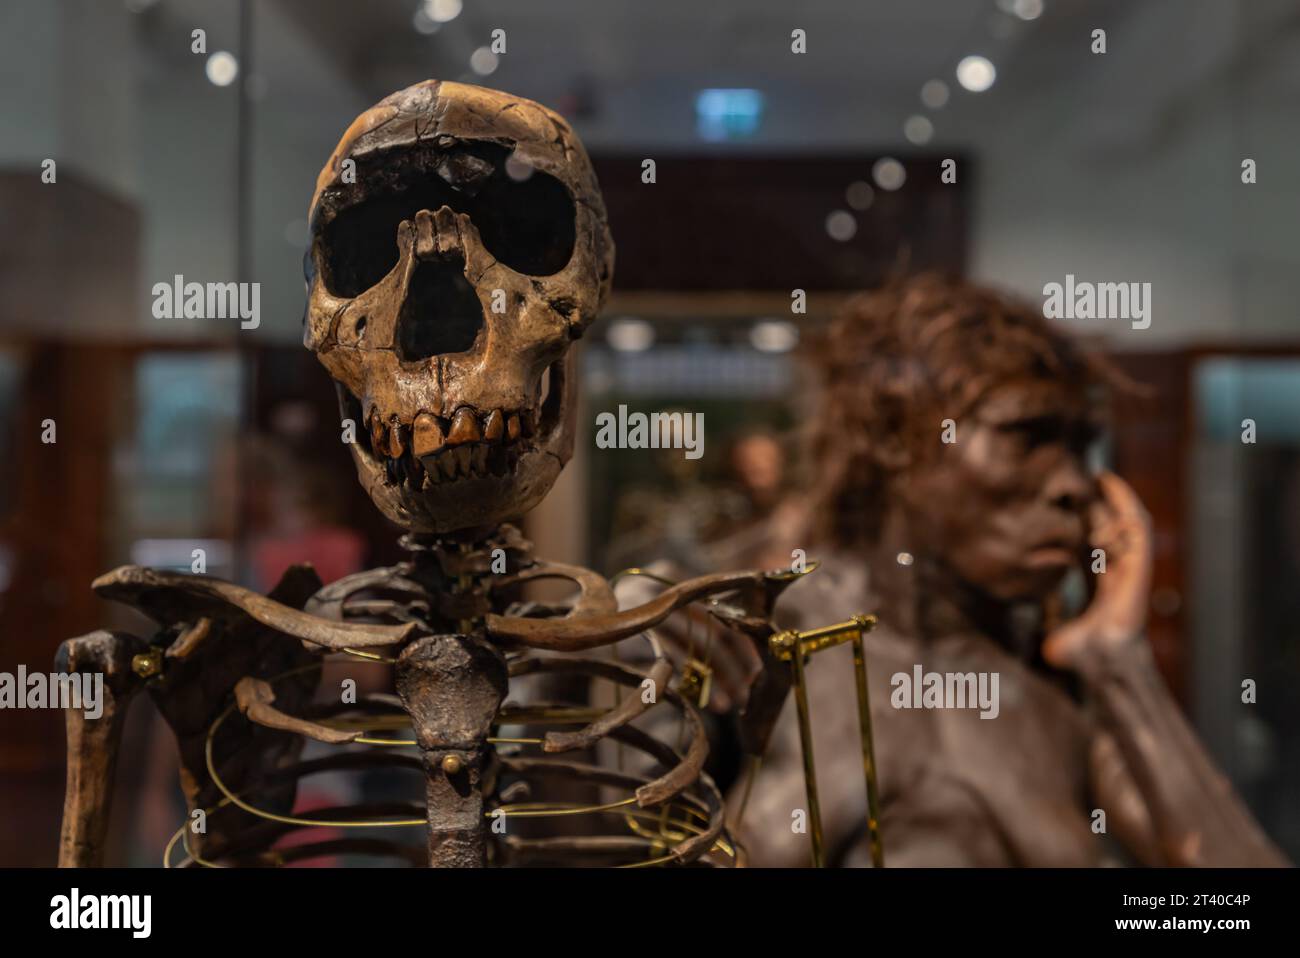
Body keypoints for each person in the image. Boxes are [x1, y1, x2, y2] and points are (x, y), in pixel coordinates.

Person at [723, 274, 1285, 866]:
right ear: (897, 438)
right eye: (1028, 437)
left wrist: (1117, 660)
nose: (1073, 485)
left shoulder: (1057, 694)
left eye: (1077, 448)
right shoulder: (747, 650)